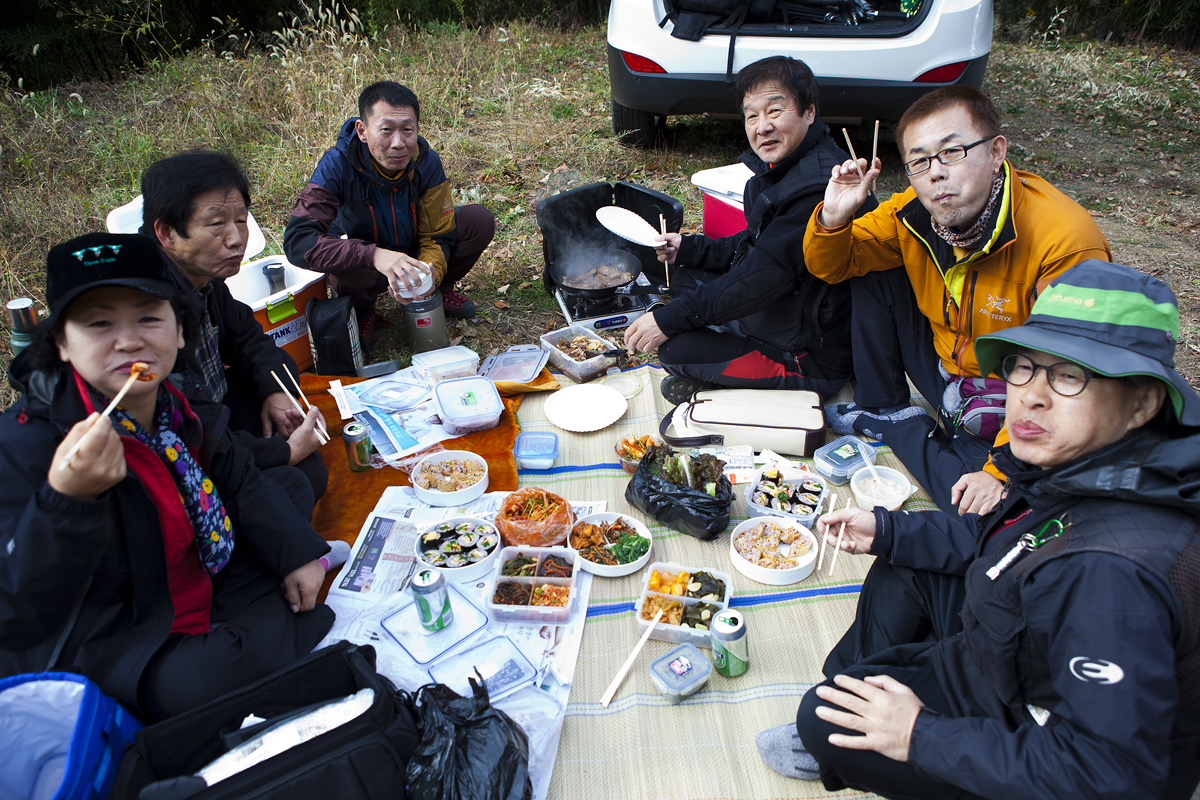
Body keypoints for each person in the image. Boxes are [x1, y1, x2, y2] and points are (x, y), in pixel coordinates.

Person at [754, 260, 1200, 799]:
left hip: (1034, 722)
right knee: (905, 560)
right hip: (1014, 645)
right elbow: (1006, 541)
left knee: (821, 721)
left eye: (1069, 376)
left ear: (1143, 403)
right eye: (1024, 367)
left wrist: (920, 736)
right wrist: (887, 531)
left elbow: (1110, 778)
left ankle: (856, 730)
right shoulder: (1083, 464)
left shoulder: (1114, 573)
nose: (1030, 396)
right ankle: (852, 696)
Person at [0, 232, 336, 721]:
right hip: (135, 626)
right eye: (99, 323)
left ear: (179, 331)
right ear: (62, 345)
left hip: (203, 566)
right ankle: (273, 617)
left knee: (293, 486)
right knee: (198, 684)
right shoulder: (25, 444)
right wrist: (68, 501)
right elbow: (18, 614)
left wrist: (296, 552)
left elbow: (237, 475)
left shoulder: (176, 393)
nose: (129, 340)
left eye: (148, 318)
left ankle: (272, 606)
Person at [803, 85, 1111, 515]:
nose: (935, 174)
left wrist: (1000, 470)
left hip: (1010, 391)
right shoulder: (913, 212)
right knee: (870, 262)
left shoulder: (1064, 241)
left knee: (986, 510)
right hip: (945, 367)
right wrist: (834, 218)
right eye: (920, 161)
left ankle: (907, 431)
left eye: (951, 153)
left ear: (996, 152)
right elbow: (833, 265)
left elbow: (1069, 375)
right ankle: (884, 406)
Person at [623, 56, 869, 405]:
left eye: (775, 111)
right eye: (752, 116)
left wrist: (669, 320)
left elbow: (762, 276)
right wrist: (688, 249)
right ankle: (724, 349)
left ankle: (744, 385)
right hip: (781, 312)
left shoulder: (821, 187)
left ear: (809, 112)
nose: (762, 126)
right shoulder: (786, 167)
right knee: (685, 275)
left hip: (808, 358)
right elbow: (756, 242)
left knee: (675, 348)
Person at [141, 151, 328, 515]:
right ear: (166, 233)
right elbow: (189, 426)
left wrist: (276, 390)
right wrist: (284, 453)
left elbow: (249, 337)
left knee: (307, 469)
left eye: (240, 220)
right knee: (292, 486)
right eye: (216, 224)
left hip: (219, 409)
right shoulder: (150, 313)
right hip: (182, 450)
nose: (236, 239)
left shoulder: (204, 278)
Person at [283, 80, 495, 346]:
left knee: (478, 221)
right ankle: (362, 310)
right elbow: (298, 241)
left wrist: (429, 275)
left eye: (407, 130)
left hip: (411, 251)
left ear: (417, 128)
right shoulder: (336, 166)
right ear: (362, 131)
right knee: (346, 255)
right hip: (365, 262)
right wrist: (374, 255)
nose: (398, 143)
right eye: (386, 130)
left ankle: (436, 292)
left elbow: (437, 234)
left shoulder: (426, 162)